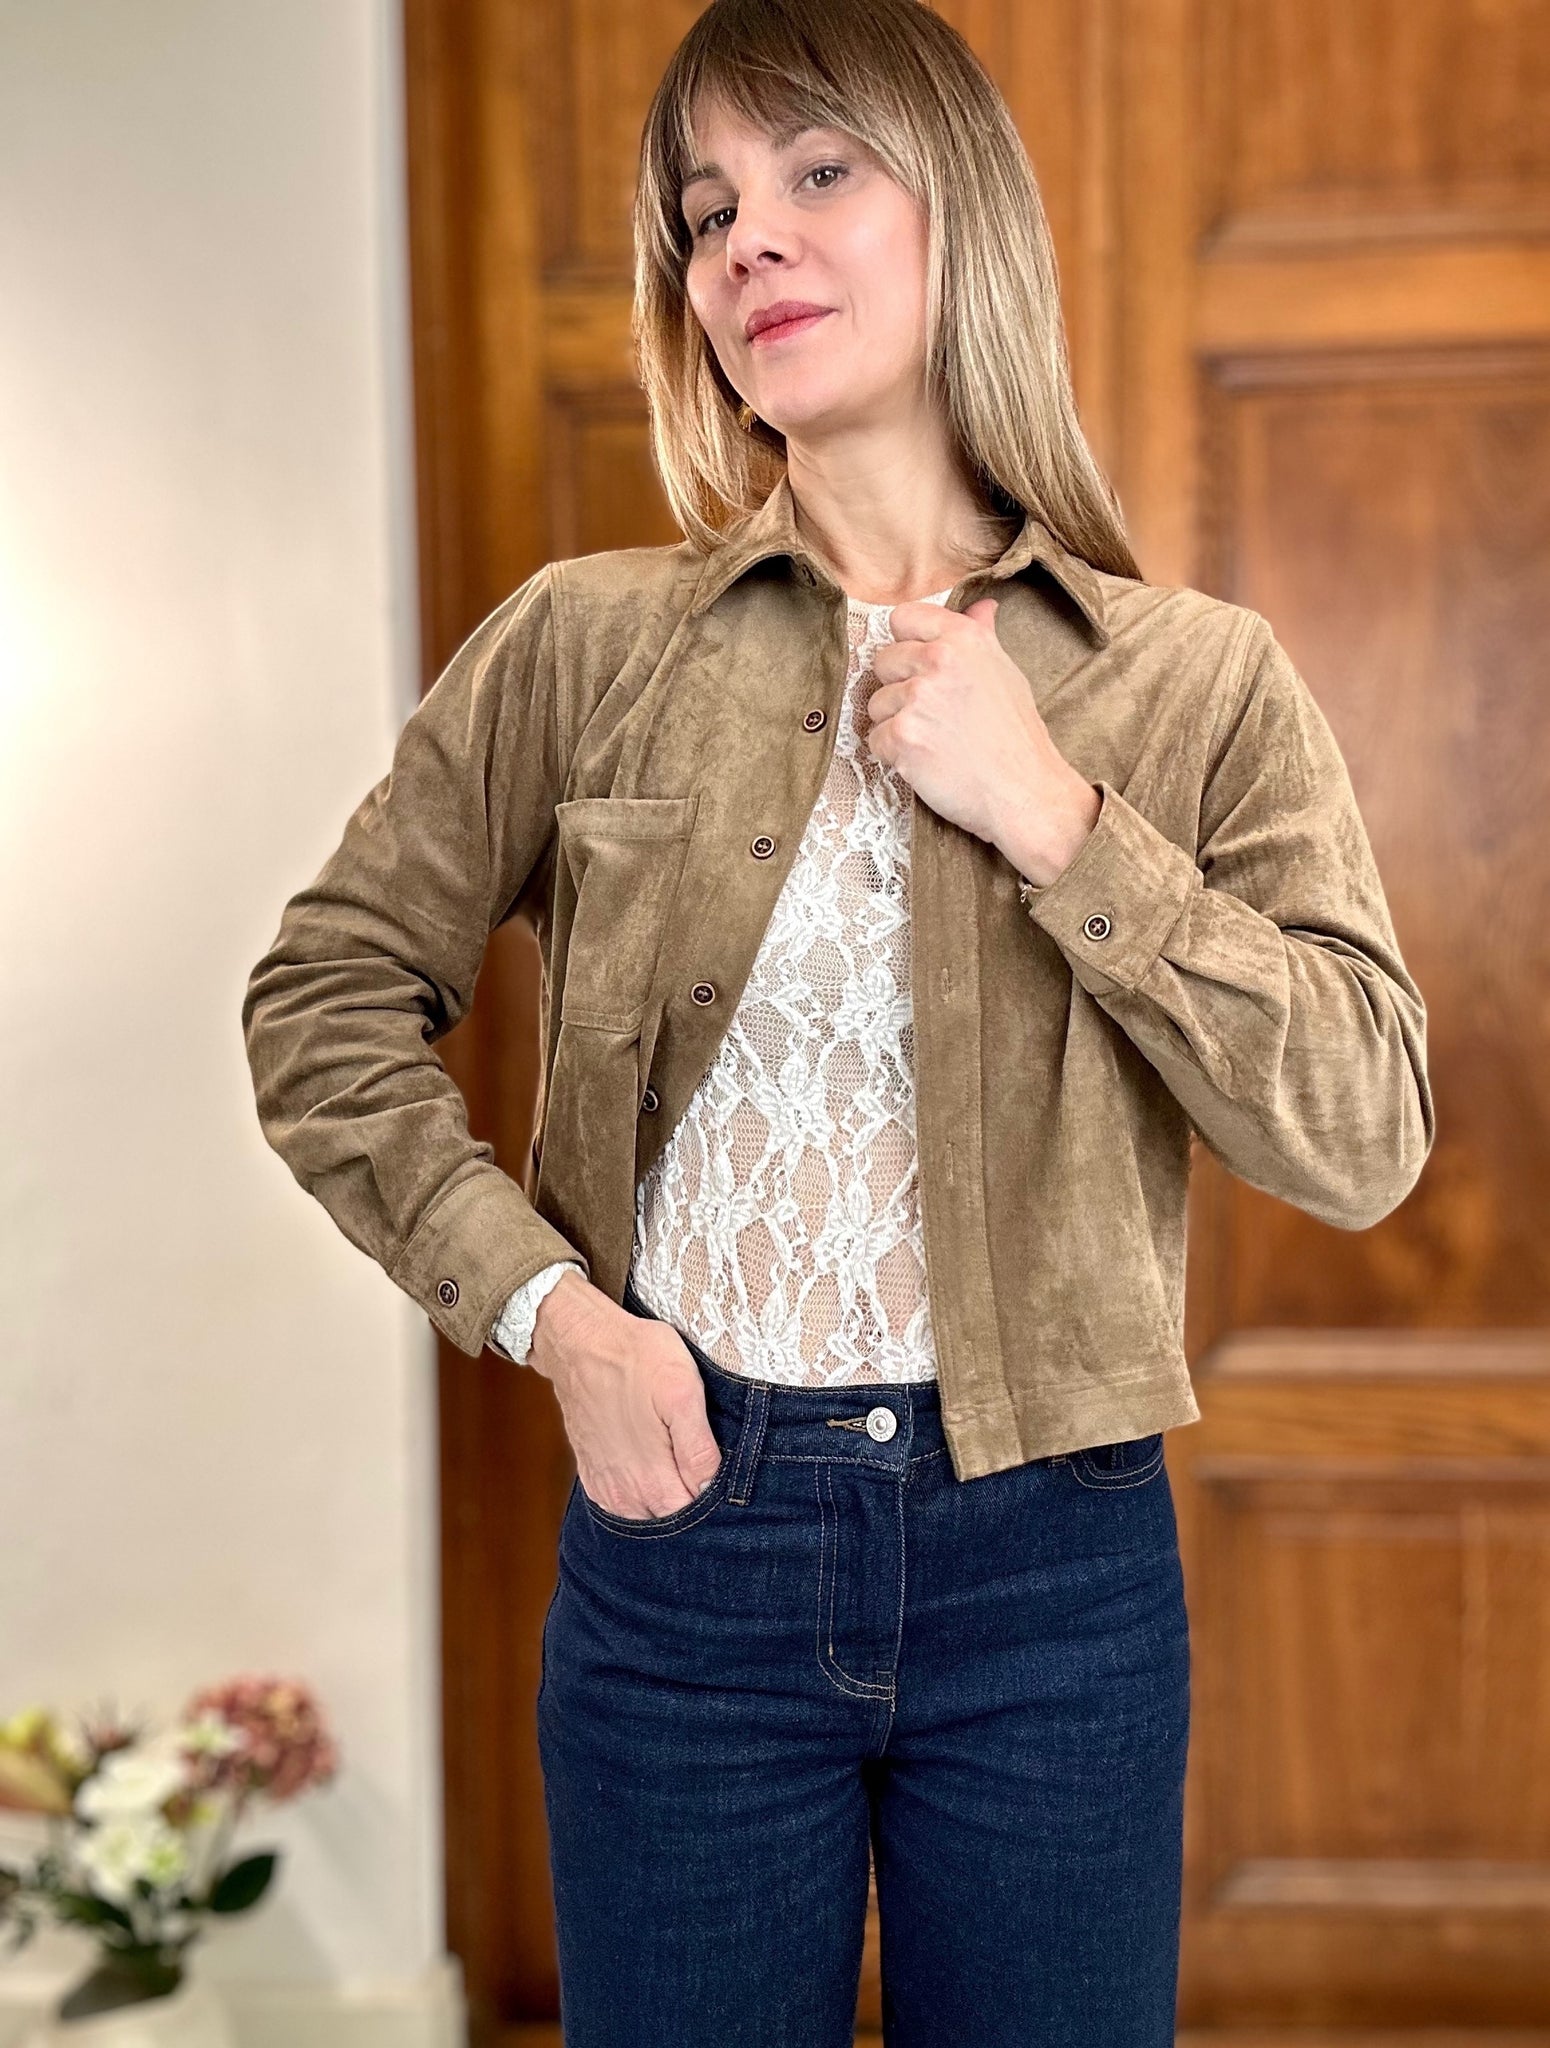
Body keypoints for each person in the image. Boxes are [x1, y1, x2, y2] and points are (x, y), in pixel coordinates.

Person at [242, 0, 1433, 2041]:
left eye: (816, 174)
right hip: (685, 1546)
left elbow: (1361, 1130)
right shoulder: (584, 645)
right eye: (706, 213)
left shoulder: (1194, 681)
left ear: (960, 212)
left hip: (1053, 1571)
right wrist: (551, 1315)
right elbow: (324, 995)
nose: (749, 245)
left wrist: (1054, 817)